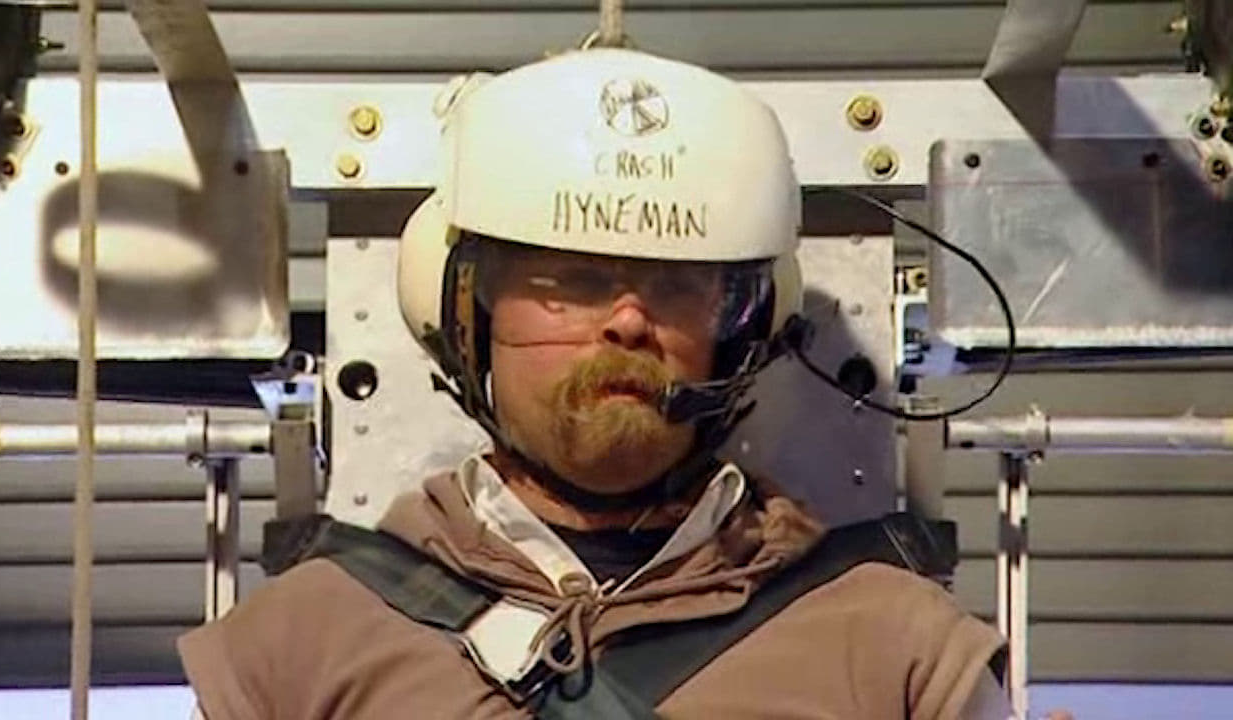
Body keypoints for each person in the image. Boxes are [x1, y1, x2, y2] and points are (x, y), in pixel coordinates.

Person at [179, 46, 1013, 719]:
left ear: (742, 335)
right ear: (466, 319)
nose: (627, 321)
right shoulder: (294, 649)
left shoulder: (901, 650)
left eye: (678, 286)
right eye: (571, 282)